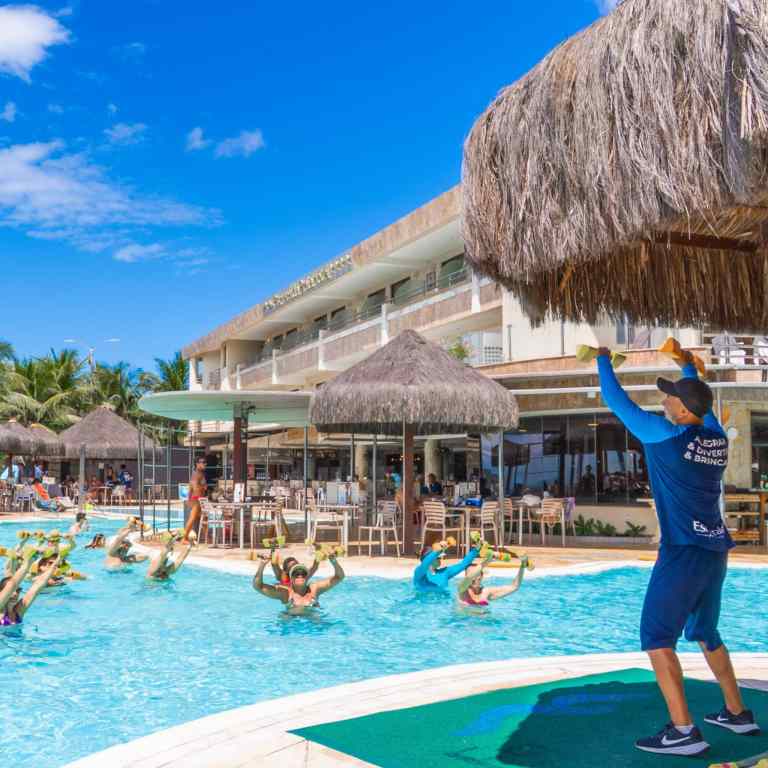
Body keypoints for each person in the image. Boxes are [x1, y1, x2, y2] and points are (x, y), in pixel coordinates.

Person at [595, 344, 758, 756]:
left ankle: (683, 732)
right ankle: (737, 713)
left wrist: (601, 360)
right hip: (714, 550)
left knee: (656, 637)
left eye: (670, 396)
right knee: (705, 632)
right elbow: (704, 397)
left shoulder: (666, 434)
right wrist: (685, 363)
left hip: (683, 551)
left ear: (684, 410)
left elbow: (617, 401)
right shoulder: (715, 436)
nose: (664, 399)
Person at [253, 553, 344, 611]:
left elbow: (339, 577)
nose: (300, 575)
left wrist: (333, 561)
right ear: (291, 577)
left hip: (315, 630)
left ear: (307, 575)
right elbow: (258, 586)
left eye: (303, 573)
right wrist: (262, 565)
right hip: (291, 628)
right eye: (296, 573)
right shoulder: (285, 593)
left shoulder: (314, 588)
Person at [0, 547, 60, 626]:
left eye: (18, 590)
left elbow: (37, 586)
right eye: (12, 591)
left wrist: (56, 563)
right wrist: (29, 561)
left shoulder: (19, 611)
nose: (15, 594)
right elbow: (12, 584)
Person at [457, 554, 529, 608]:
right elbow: (469, 577)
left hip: (484, 624)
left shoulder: (486, 592)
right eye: (470, 573)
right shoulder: (462, 589)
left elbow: (514, 587)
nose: (473, 577)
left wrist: (523, 564)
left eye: (476, 574)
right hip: (466, 624)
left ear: (482, 576)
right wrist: (488, 561)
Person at [413, 541, 480, 590]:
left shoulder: (445, 572)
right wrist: (438, 551)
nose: (440, 559)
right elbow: (425, 564)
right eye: (438, 557)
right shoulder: (419, 573)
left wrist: (476, 549)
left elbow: (463, 564)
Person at [182, 456, 207, 544]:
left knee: (205, 518)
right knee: (192, 519)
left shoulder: (200, 474)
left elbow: (190, 488)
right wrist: (203, 487)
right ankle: (184, 538)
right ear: (197, 464)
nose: (205, 464)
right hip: (197, 500)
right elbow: (194, 488)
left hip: (199, 499)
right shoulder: (196, 474)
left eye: (205, 462)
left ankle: (208, 537)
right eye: (202, 462)